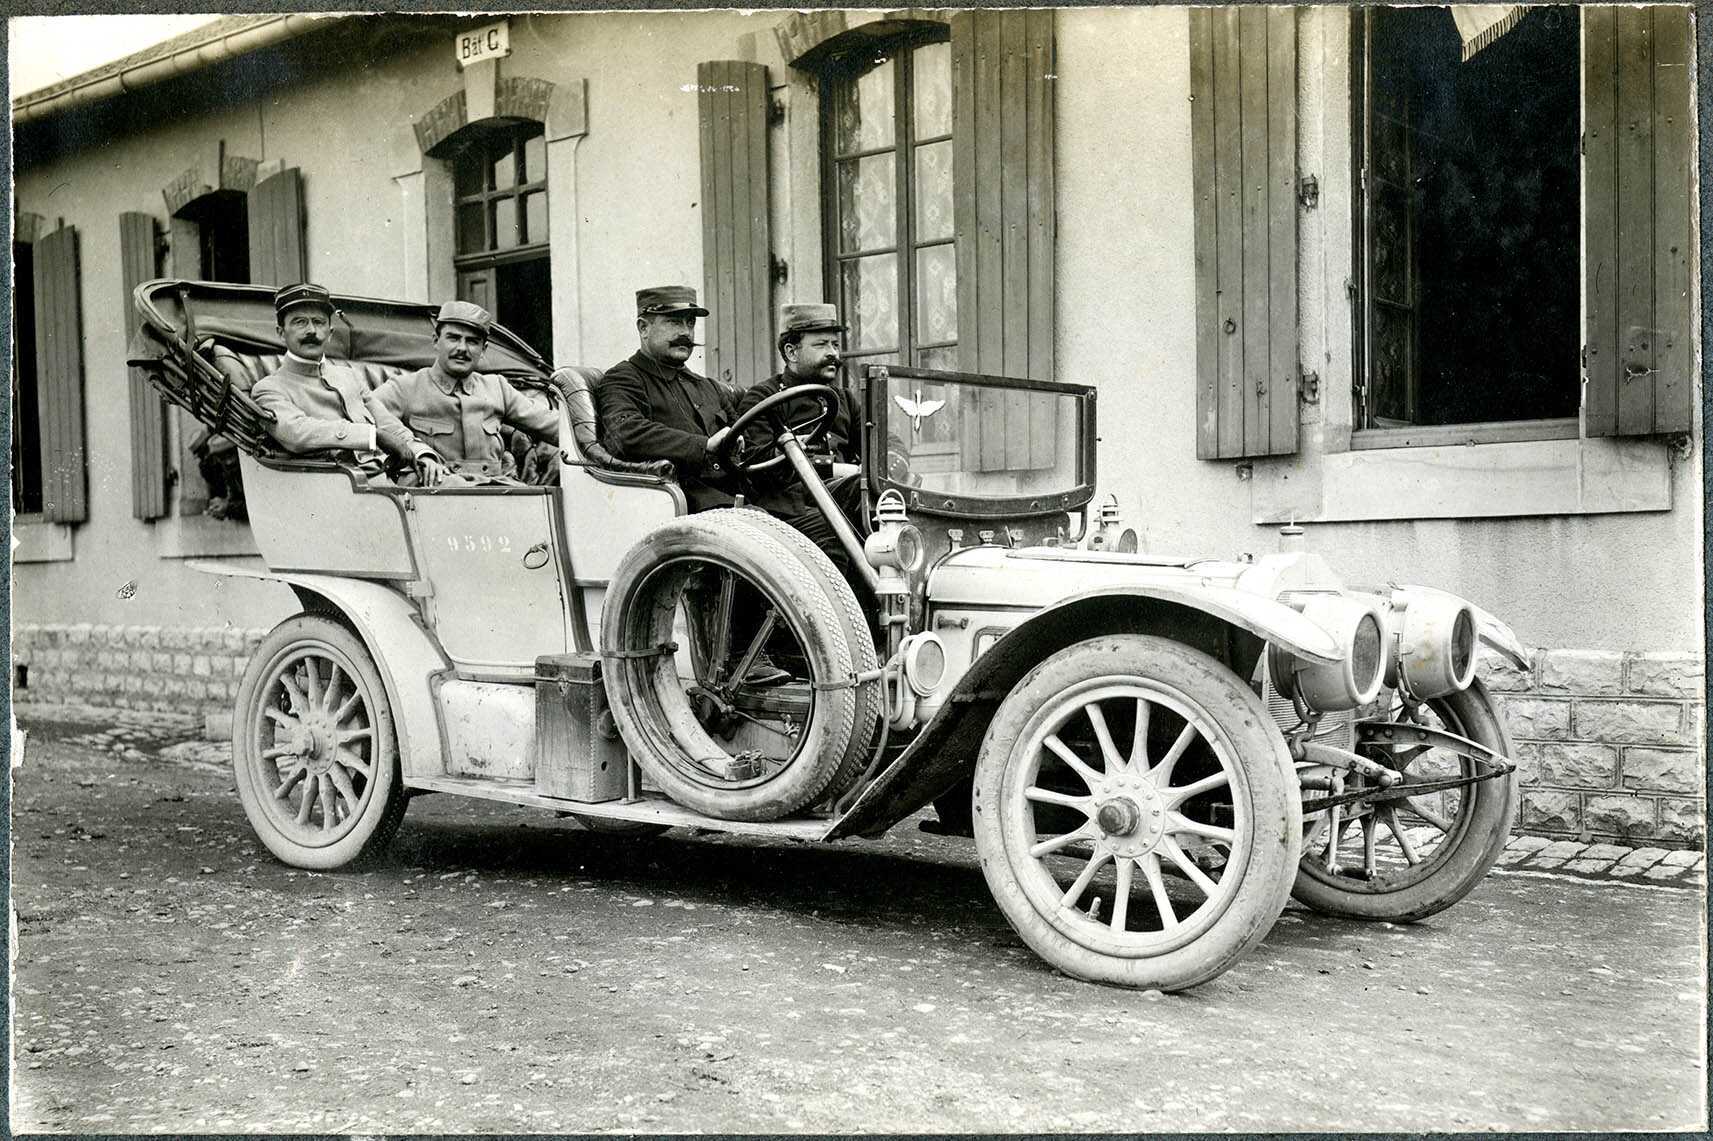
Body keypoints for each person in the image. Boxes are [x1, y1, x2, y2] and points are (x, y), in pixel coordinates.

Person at [732, 303, 868, 578]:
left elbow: (882, 438)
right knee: (839, 528)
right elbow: (760, 465)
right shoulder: (762, 398)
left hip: (838, 497)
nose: (833, 353)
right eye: (821, 345)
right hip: (790, 507)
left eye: (835, 344)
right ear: (791, 352)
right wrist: (833, 468)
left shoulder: (844, 399)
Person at [366, 300, 560, 486]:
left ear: (483, 349)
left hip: (498, 492)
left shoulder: (497, 387)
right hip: (437, 495)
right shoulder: (405, 387)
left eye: (472, 341)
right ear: (436, 341)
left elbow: (551, 424)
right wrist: (414, 448)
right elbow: (364, 413)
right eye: (453, 338)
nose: (462, 348)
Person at [250, 283, 432, 477]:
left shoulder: (348, 376)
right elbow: (296, 433)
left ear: (330, 333)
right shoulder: (268, 389)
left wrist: (422, 454)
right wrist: (372, 436)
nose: (311, 331)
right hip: (339, 487)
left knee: (453, 485)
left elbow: (387, 423)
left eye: (318, 322)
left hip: (389, 474)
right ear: (281, 333)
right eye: (299, 322)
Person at [595, 285, 740, 513]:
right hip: (681, 507)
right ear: (644, 328)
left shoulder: (708, 387)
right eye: (674, 322)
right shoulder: (624, 378)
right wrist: (704, 445)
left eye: (690, 323)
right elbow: (625, 434)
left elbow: (745, 436)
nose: (685, 332)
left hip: (737, 500)